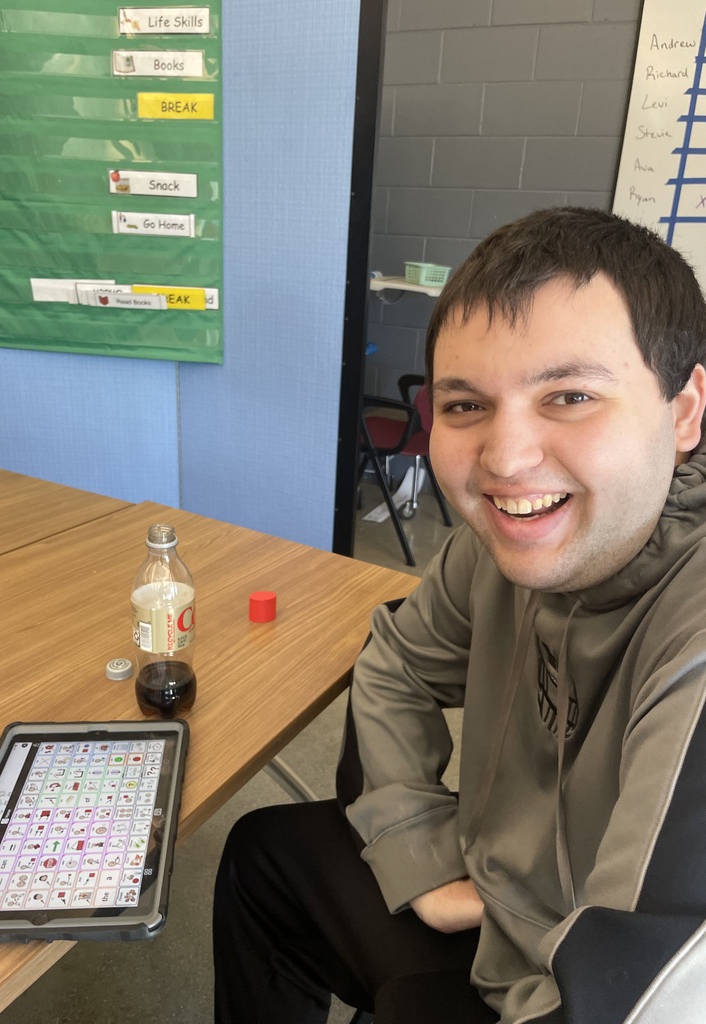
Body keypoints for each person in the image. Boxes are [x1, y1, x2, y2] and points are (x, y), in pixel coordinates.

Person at [212, 206, 706, 1024]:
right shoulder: (502, 546)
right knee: (264, 861)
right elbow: (396, 665)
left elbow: (636, 998)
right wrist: (417, 843)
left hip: (569, 985)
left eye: (571, 396)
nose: (506, 462)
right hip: (490, 905)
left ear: (684, 411)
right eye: (467, 406)